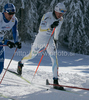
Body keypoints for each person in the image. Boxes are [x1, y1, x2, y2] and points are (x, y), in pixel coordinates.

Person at [17, 3, 67, 90]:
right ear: (56, 11)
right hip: (40, 38)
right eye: (60, 13)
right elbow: (41, 29)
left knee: (54, 58)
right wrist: (50, 27)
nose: (61, 15)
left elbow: (57, 30)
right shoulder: (47, 16)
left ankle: (55, 81)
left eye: (62, 14)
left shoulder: (61, 19)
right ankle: (21, 63)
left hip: (50, 39)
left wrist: (55, 40)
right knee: (32, 55)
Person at [0, 3, 21, 74]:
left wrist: (16, 42)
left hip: (0, 42)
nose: (11, 15)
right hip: (1, 42)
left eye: (13, 13)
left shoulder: (14, 20)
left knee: (0, 66)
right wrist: (6, 42)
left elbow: (15, 31)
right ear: (5, 12)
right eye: (10, 13)